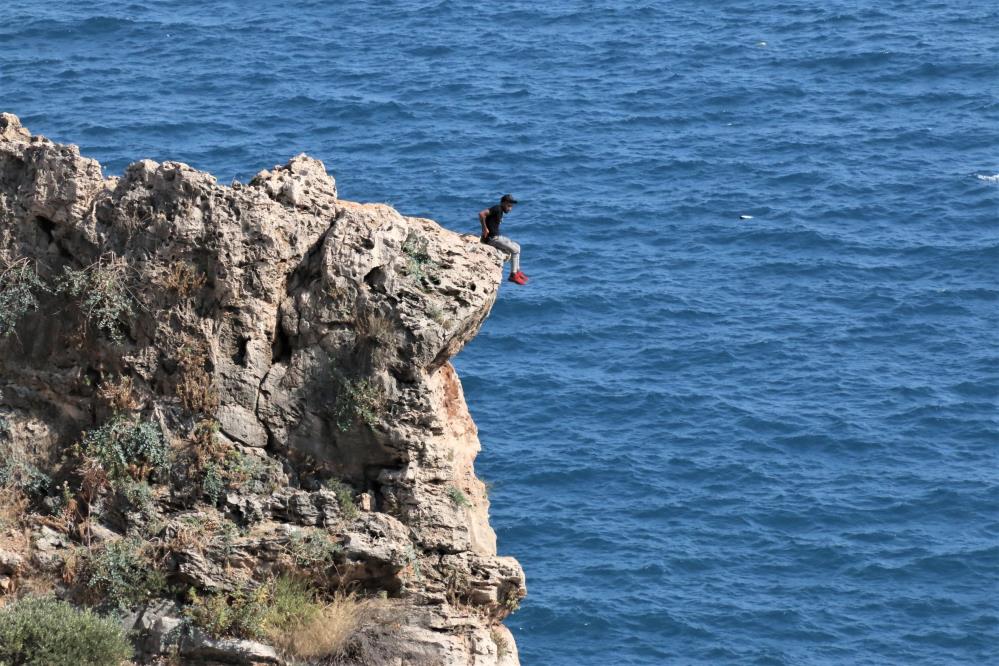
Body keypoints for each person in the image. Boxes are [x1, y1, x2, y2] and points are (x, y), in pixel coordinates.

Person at [479, 194, 528, 285]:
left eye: (511, 207)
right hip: (491, 239)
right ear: (503, 203)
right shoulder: (497, 208)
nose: (510, 209)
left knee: (517, 246)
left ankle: (517, 271)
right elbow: (481, 214)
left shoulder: (500, 211)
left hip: (497, 236)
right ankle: (513, 275)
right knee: (515, 250)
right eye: (509, 206)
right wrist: (484, 228)